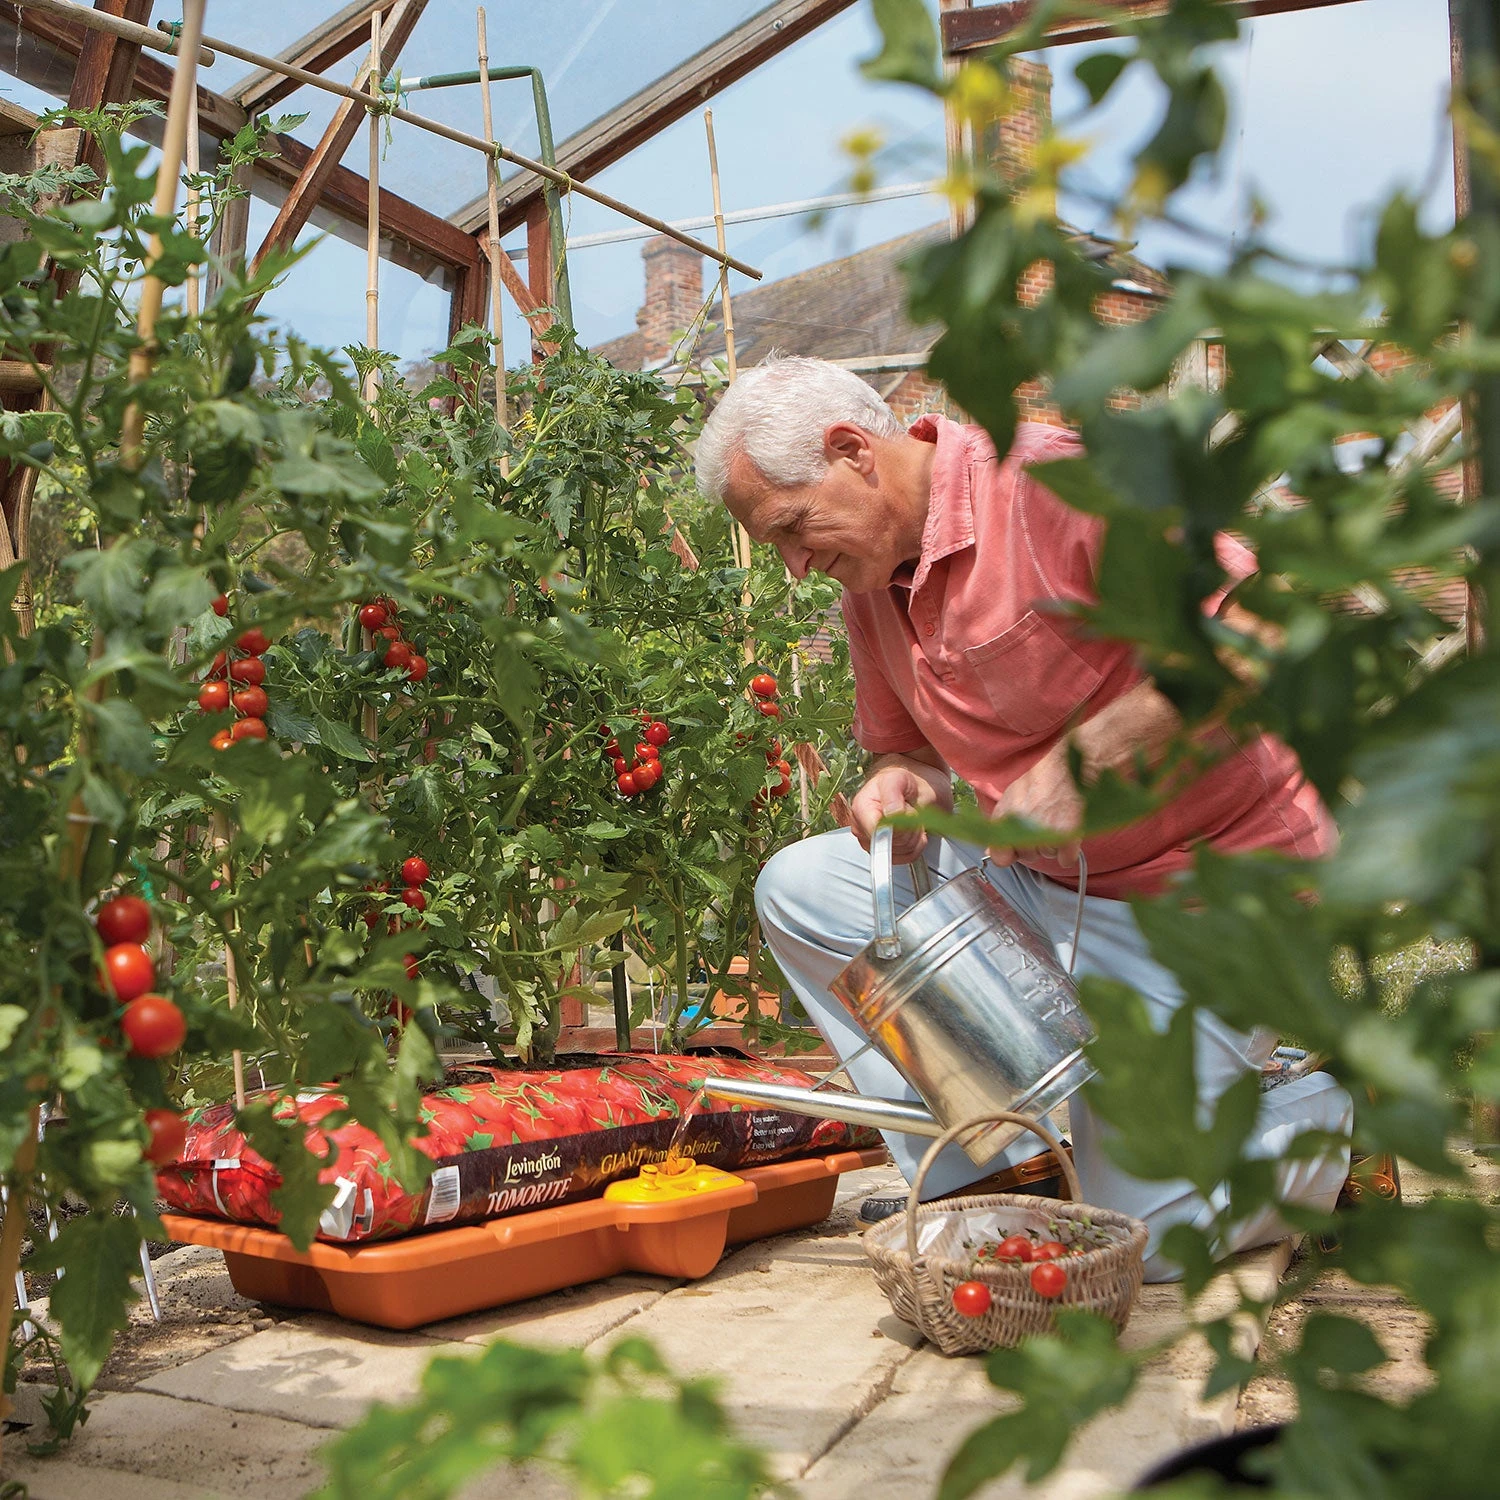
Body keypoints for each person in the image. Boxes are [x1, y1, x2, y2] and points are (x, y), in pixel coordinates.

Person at [695, 353, 1352, 1282]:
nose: (797, 567)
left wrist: (1093, 755)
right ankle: (996, 1174)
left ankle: (1322, 1122)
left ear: (852, 451)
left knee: (1151, 1238)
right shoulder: (869, 581)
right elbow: (904, 749)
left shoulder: (1057, 482)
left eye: (793, 529)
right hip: (1042, 894)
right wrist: (900, 783)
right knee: (806, 887)